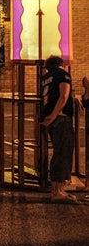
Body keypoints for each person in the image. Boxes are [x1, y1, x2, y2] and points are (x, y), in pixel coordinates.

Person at [41, 56, 77, 203]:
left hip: (50, 121)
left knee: (58, 152)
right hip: (60, 118)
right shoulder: (63, 74)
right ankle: (57, 192)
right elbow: (63, 96)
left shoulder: (45, 78)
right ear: (61, 64)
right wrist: (54, 115)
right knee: (63, 153)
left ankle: (57, 189)